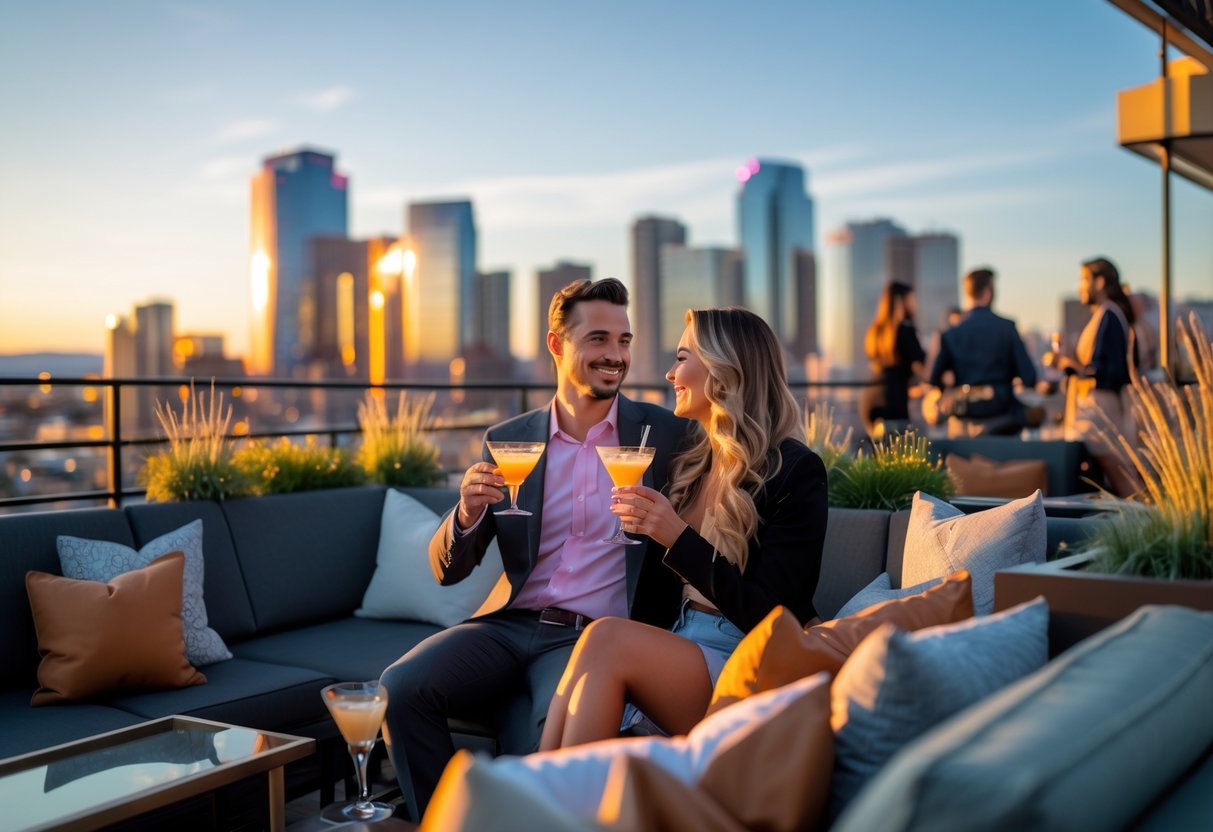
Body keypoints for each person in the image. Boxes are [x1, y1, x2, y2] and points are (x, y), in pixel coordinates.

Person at [379, 278, 689, 819]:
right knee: (399, 688)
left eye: (624, 340)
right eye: (597, 339)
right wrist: (468, 514)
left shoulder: (663, 434)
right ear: (556, 344)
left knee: (547, 750)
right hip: (508, 624)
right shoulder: (510, 437)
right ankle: (441, 822)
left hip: (591, 639)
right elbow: (447, 572)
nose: (616, 355)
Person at [538, 307, 828, 750]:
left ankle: (545, 797)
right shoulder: (693, 465)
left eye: (681, 358)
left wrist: (677, 537)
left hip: (742, 656)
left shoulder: (796, 471)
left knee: (607, 638)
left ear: (723, 368)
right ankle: (543, 793)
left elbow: (774, 615)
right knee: (598, 640)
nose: (671, 373)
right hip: (679, 640)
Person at [1044, 256, 1138, 496]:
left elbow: (1107, 373)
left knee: (1121, 479)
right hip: (1094, 411)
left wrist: (1067, 363)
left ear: (1099, 282)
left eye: (1083, 279)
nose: (1079, 286)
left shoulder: (1110, 316)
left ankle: (1145, 523)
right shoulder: (1106, 315)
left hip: (1100, 413)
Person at [928, 267, 1037, 436]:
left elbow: (933, 379)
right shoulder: (1007, 328)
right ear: (988, 292)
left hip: (962, 423)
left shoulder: (951, 333)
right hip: (1003, 422)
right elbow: (1029, 377)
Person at [862, 281, 927, 439]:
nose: (915, 304)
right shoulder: (905, 329)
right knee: (900, 451)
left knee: (879, 453)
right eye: (912, 299)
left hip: (870, 397)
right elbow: (922, 364)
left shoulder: (876, 330)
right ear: (902, 301)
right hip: (893, 399)